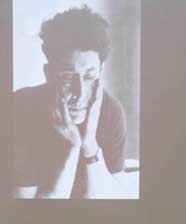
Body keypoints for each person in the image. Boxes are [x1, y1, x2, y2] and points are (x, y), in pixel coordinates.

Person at [13, 5, 127, 199]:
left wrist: (89, 146)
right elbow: (29, 213)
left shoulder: (111, 110)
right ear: (48, 73)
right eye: (67, 77)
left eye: (90, 75)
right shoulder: (19, 108)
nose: (79, 93)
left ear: (100, 71)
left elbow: (113, 200)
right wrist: (73, 148)